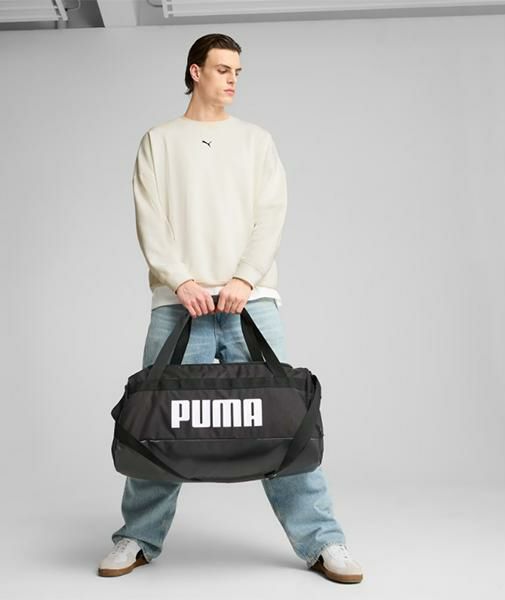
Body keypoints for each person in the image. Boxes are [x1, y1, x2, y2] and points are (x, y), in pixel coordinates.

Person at [98, 33, 363, 584]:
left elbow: (271, 214)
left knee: (283, 422)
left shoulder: (256, 141)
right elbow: (151, 218)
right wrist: (182, 280)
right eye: (223, 69)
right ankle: (137, 536)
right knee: (159, 423)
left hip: (252, 301)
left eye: (238, 71)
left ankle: (323, 541)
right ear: (195, 72)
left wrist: (244, 278)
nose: (233, 80)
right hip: (180, 304)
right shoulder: (159, 141)